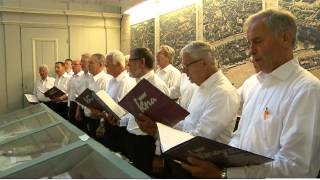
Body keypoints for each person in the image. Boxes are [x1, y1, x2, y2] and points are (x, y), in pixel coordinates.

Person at [181, 8, 320, 178]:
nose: (251, 51)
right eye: (249, 43)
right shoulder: (252, 85)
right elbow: (240, 136)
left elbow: (295, 169)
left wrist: (225, 175)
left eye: (258, 41)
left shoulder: (307, 90)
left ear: (285, 38)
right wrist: (224, 165)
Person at [135, 41, 240, 177]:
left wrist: (157, 131)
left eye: (187, 65)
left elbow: (199, 138)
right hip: (185, 161)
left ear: (204, 63)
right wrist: (160, 123)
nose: (183, 71)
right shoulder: (201, 87)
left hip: (203, 170)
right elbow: (187, 124)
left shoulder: (223, 93)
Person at [67, 58, 83, 125]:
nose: (73, 66)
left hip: (78, 106)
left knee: (78, 127)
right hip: (71, 104)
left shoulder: (82, 77)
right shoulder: (72, 77)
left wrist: (78, 110)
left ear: (81, 65)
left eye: (75, 64)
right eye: (72, 64)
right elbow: (70, 93)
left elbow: (81, 95)